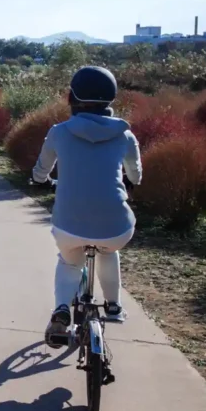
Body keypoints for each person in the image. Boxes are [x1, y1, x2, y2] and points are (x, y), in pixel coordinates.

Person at [32, 66, 142, 347]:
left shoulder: (59, 133)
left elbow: (41, 171)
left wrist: (41, 181)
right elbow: (136, 175)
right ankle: (114, 305)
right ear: (110, 99)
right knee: (109, 249)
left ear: (71, 97)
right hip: (115, 226)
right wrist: (129, 182)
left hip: (69, 226)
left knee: (69, 262)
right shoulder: (125, 135)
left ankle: (61, 310)